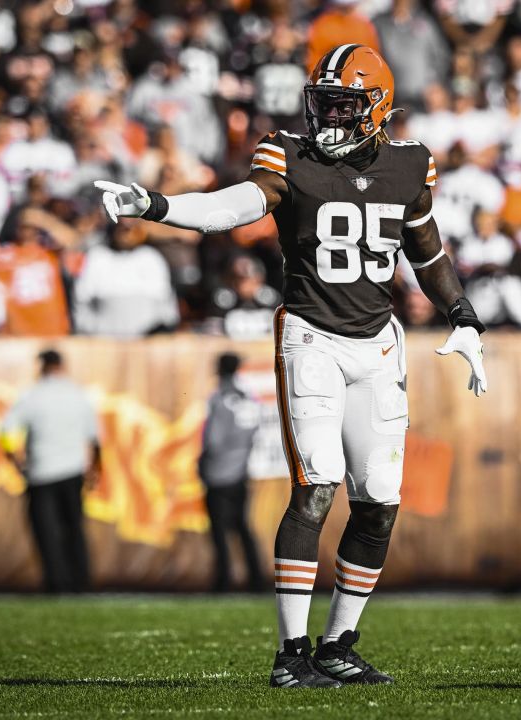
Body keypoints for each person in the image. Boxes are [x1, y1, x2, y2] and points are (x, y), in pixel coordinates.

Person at [95, 45, 488, 688]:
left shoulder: (410, 165)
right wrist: (157, 205)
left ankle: (339, 644)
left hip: (380, 344)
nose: (330, 117)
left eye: (345, 105)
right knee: (317, 487)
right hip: (313, 337)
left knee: (381, 502)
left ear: (378, 107)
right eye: (325, 103)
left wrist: (464, 315)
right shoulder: (289, 157)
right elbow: (233, 208)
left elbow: (427, 250)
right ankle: (291, 655)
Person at [0, 350, 101, 594]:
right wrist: (96, 469)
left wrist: (16, 463)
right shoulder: (77, 394)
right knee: (74, 528)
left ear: (42, 367)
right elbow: (94, 438)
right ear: (62, 365)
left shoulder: (32, 395)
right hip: (72, 471)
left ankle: (56, 582)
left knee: (46, 531)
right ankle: (80, 581)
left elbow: (6, 433)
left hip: (41, 473)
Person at [198, 353, 264, 593]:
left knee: (219, 530)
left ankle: (223, 580)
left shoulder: (219, 398)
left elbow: (212, 440)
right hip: (241, 470)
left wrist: (202, 463)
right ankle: (256, 578)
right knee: (242, 527)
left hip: (218, 472)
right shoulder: (248, 397)